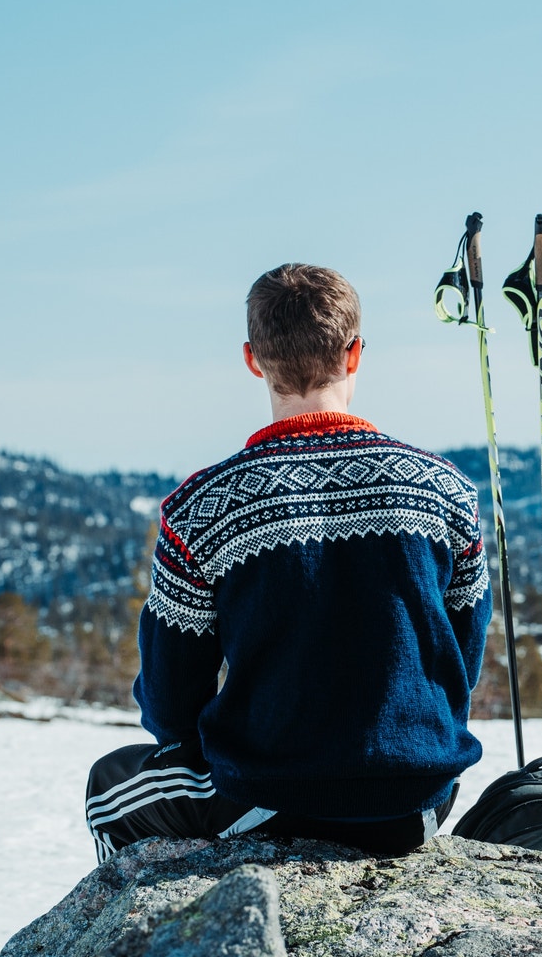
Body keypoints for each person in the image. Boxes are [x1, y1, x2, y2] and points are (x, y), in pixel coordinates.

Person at [86, 263, 490, 860]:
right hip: (418, 801)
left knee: (108, 788)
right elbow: (462, 657)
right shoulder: (444, 491)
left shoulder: (202, 508)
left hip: (271, 795)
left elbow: (172, 704)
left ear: (253, 359)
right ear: (354, 355)